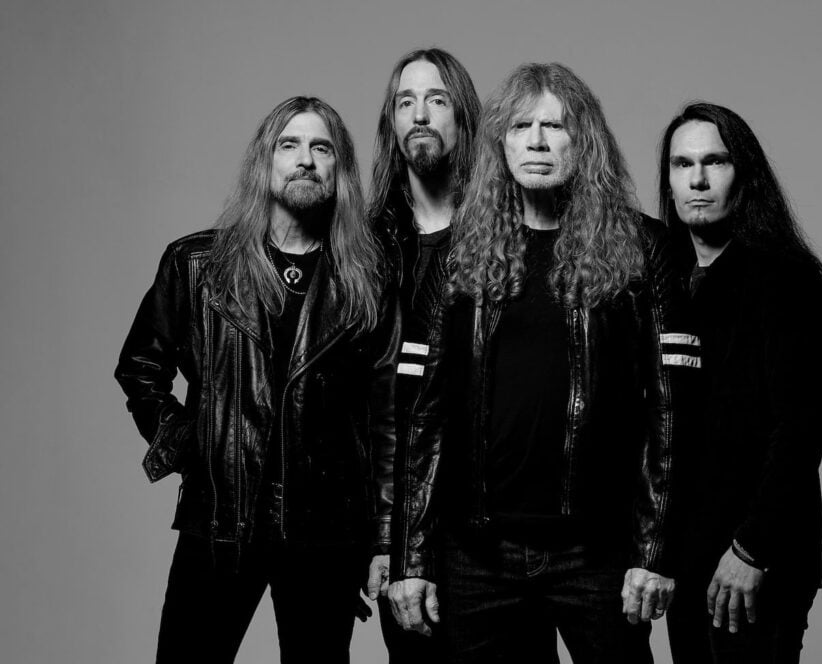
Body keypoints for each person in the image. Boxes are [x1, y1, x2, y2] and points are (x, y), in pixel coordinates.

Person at [389, 62, 681, 663]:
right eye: (522, 127)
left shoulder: (642, 249)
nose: (538, 142)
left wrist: (654, 551)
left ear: (584, 140)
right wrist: (411, 559)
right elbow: (424, 418)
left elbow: (669, 412)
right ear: (501, 143)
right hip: (478, 556)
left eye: (555, 126)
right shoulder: (458, 255)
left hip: (597, 552)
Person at [115, 96, 399, 663]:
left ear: (339, 169)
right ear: (264, 163)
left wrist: (384, 537)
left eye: (321, 148)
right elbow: (141, 366)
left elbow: (387, 411)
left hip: (327, 530)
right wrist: (190, 442)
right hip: (221, 520)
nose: (305, 159)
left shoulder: (368, 278)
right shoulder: (197, 264)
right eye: (289, 145)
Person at [657, 102, 822, 663]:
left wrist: (751, 550)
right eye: (682, 164)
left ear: (745, 174)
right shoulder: (665, 281)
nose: (698, 179)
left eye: (715, 161)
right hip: (687, 555)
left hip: (756, 557)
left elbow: (803, 429)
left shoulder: (789, 281)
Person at [364, 46, 481, 663]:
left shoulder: (505, 237)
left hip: (492, 529)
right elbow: (366, 406)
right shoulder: (366, 247)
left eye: (437, 100)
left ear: (463, 117)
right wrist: (384, 536)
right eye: (405, 102)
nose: (420, 114)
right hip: (403, 521)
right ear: (391, 123)